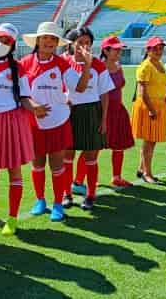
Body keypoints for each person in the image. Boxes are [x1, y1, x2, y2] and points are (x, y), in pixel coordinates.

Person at [0, 23, 35, 235]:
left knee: (14, 171)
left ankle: (12, 217)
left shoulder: (18, 67)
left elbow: (24, 97)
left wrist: (35, 109)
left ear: (12, 46)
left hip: (12, 122)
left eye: (6, 42)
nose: (1, 44)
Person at [22, 21, 74, 222]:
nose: (49, 42)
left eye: (53, 39)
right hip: (34, 122)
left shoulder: (62, 63)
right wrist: (33, 106)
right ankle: (40, 200)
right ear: (37, 40)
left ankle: (58, 204)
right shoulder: (25, 63)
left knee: (57, 164)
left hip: (58, 121)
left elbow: (78, 85)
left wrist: (86, 65)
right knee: (37, 163)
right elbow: (20, 92)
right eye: (45, 38)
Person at [62, 27, 114, 211]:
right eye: (80, 42)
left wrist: (104, 119)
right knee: (67, 156)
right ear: (72, 44)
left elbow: (104, 95)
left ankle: (91, 194)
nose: (84, 46)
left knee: (91, 156)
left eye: (88, 43)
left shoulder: (98, 65)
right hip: (68, 113)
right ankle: (66, 194)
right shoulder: (63, 63)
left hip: (92, 112)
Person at [132, 37, 166, 184]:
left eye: (160, 48)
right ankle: (148, 173)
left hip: (158, 105)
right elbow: (142, 92)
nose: (158, 51)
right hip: (149, 106)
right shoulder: (146, 66)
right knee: (149, 141)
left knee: (150, 141)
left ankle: (142, 168)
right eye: (155, 48)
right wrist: (152, 110)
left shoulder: (159, 64)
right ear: (148, 50)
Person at [100, 36, 135, 187]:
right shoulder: (98, 68)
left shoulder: (119, 66)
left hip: (118, 111)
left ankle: (117, 177)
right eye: (116, 49)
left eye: (120, 49)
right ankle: (80, 180)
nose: (119, 52)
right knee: (94, 148)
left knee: (119, 146)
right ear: (106, 50)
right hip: (102, 112)